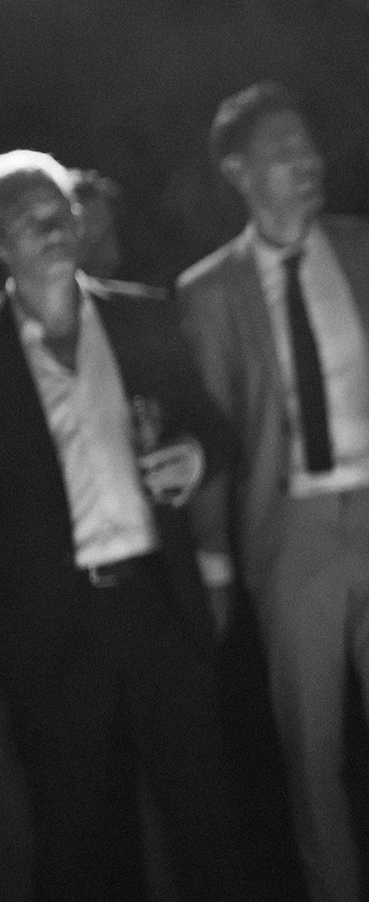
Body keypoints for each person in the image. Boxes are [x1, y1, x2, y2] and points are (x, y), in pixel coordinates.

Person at [177, 82, 369, 902]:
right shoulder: (210, 292)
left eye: (309, 146)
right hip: (291, 530)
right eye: (282, 153)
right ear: (239, 172)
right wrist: (218, 564)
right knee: (312, 751)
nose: (307, 164)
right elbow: (217, 438)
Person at [0, 150, 243, 902]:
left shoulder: (140, 314)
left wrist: (196, 457)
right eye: (28, 218)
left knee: (206, 817)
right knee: (84, 841)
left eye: (62, 212)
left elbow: (215, 430)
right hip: (53, 627)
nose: (53, 228)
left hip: (156, 604)